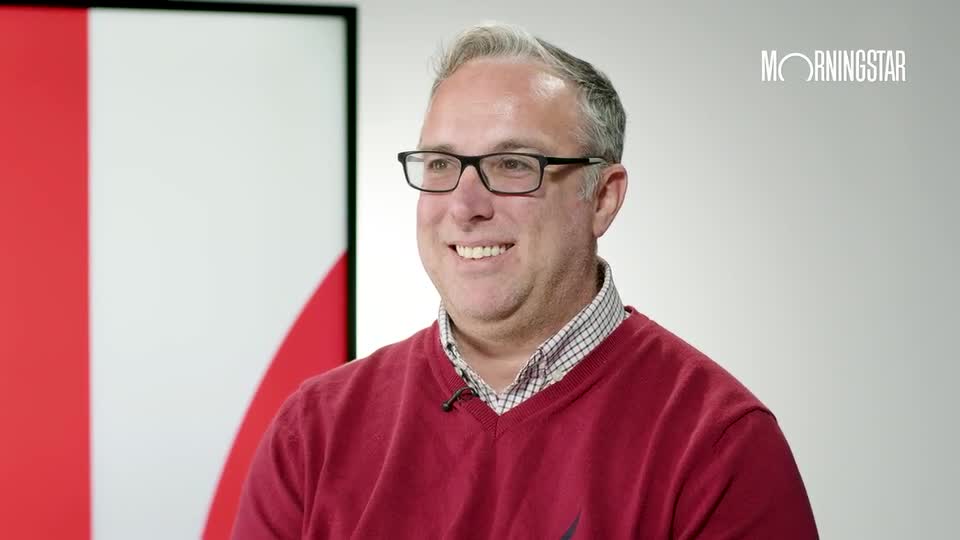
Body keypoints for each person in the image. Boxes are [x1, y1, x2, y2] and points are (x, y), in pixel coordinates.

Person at [232, 22, 819, 539]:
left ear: (602, 198)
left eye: (513, 164)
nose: (465, 205)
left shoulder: (717, 445)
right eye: (441, 164)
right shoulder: (313, 434)